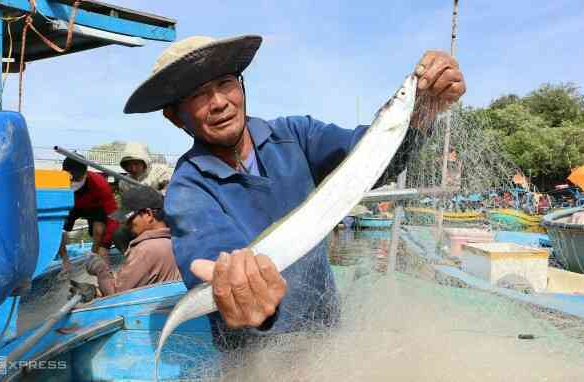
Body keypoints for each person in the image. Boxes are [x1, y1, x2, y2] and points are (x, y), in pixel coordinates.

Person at [123, 35, 465, 350]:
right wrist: (243, 291)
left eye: (225, 83)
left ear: (240, 86)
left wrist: (420, 113)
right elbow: (210, 250)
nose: (219, 103)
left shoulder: (297, 134)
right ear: (175, 117)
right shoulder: (187, 188)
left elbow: (369, 158)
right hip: (255, 356)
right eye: (198, 95)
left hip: (328, 335)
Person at [84, 186, 181, 296]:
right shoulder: (175, 241)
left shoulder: (145, 250)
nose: (126, 225)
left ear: (148, 214)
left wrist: (101, 270)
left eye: (129, 219)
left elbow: (116, 295)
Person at [58, 156, 119, 271]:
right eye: (71, 179)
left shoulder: (100, 184)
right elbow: (54, 219)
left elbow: (113, 216)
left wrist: (105, 245)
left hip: (94, 207)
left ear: (85, 174)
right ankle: (65, 262)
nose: (74, 182)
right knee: (59, 229)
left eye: (78, 178)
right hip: (71, 205)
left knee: (99, 230)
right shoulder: (58, 183)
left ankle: (93, 256)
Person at [112, 142, 173, 254]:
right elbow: (126, 209)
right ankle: (133, 259)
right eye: (128, 165)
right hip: (138, 219)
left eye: (136, 163)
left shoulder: (159, 172)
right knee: (119, 235)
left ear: (144, 161)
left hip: (161, 217)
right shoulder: (124, 183)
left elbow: (170, 193)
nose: (132, 168)